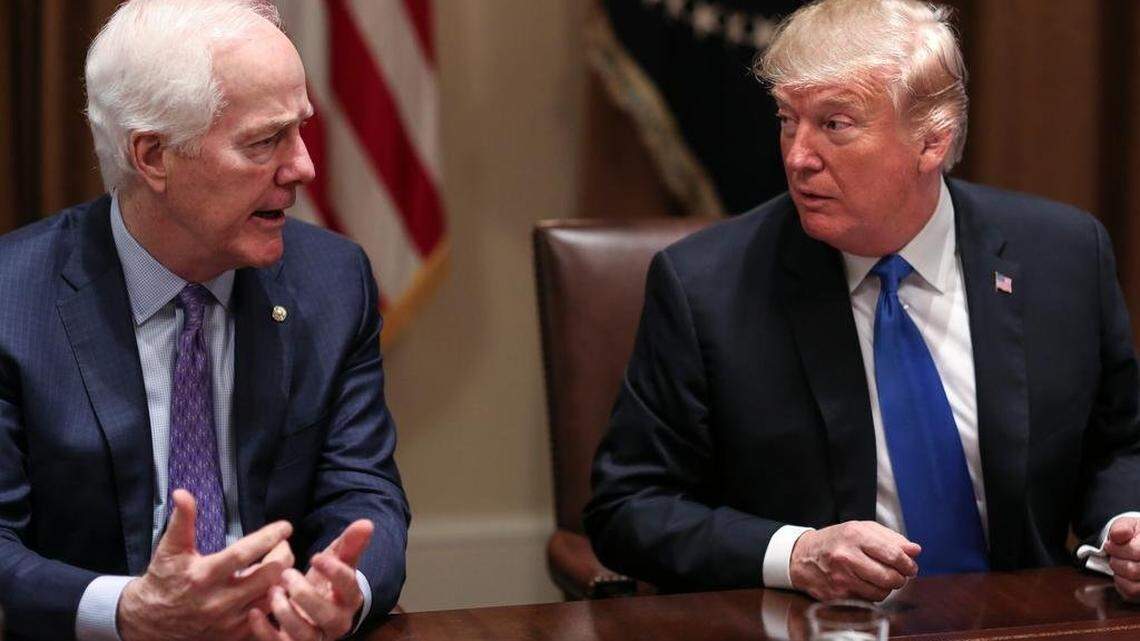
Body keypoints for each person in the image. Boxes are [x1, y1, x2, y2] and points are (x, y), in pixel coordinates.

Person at [585, 0, 1140, 604]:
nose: (798, 156)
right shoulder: (705, 286)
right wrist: (795, 554)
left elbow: (1118, 446)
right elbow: (628, 508)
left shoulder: (1063, 255)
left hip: (1028, 620)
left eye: (835, 124)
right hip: (815, 625)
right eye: (786, 119)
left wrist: (1123, 528)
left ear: (932, 141)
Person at [0, 1, 410, 639]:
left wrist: (342, 592)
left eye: (300, 129)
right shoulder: (11, 300)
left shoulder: (333, 282)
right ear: (153, 156)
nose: (303, 166)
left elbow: (364, 492)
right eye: (264, 140)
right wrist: (131, 611)